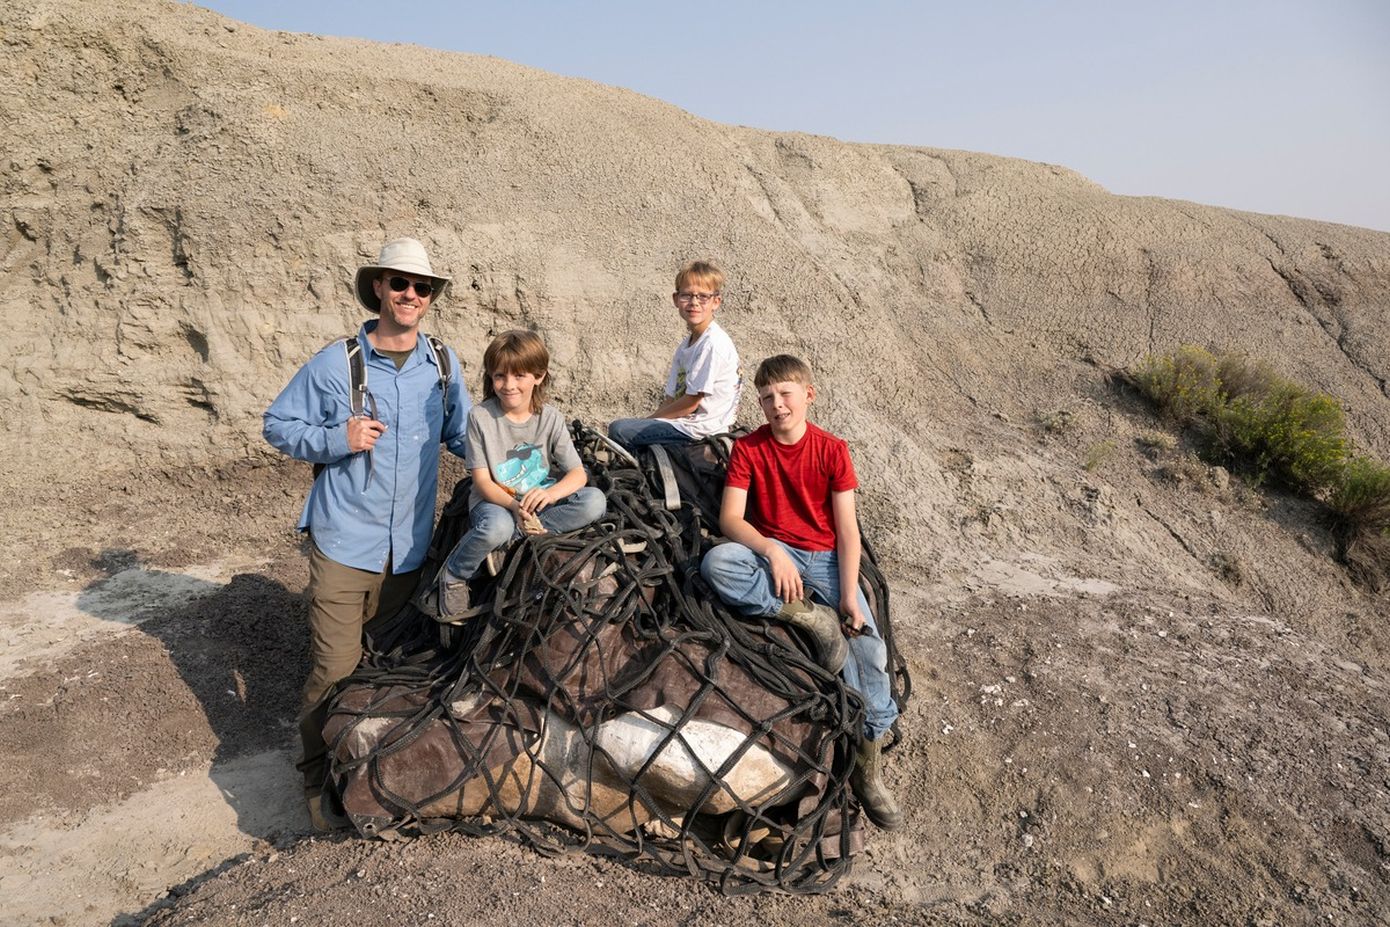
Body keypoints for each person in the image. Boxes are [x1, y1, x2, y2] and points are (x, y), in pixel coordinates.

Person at [263, 237, 471, 831]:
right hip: (344, 545)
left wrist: (524, 465)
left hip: (408, 552)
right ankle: (314, 780)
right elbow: (277, 424)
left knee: (385, 669)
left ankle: (370, 774)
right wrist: (337, 439)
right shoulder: (337, 363)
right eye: (399, 283)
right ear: (378, 286)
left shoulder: (443, 365)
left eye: (421, 287)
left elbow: (463, 437)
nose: (410, 294)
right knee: (334, 670)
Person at [698, 354, 902, 830]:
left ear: (808, 395)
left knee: (869, 651)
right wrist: (771, 549)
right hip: (776, 552)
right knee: (717, 564)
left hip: (826, 558)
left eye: (785, 394)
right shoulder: (750, 449)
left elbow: (847, 531)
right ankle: (809, 617)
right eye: (767, 397)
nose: (777, 405)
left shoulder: (832, 450)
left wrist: (848, 595)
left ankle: (869, 769)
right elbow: (730, 519)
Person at [429, 329, 606, 619]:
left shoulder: (550, 418)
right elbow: (482, 481)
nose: (509, 385)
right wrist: (514, 506)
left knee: (594, 501)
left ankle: (515, 539)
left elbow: (577, 473)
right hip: (497, 501)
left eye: (519, 376)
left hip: (537, 502)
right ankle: (454, 575)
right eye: (500, 376)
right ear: (491, 377)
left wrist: (550, 494)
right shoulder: (480, 417)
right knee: (497, 528)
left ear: (539, 376)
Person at [607, 260, 741, 448]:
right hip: (683, 424)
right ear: (676, 299)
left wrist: (647, 423)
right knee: (625, 428)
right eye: (687, 295)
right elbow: (672, 400)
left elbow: (690, 404)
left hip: (701, 429)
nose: (694, 303)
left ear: (716, 302)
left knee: (619, 429)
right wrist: (646, 423)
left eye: (703, 296)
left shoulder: (712, 343)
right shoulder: (686, 345)